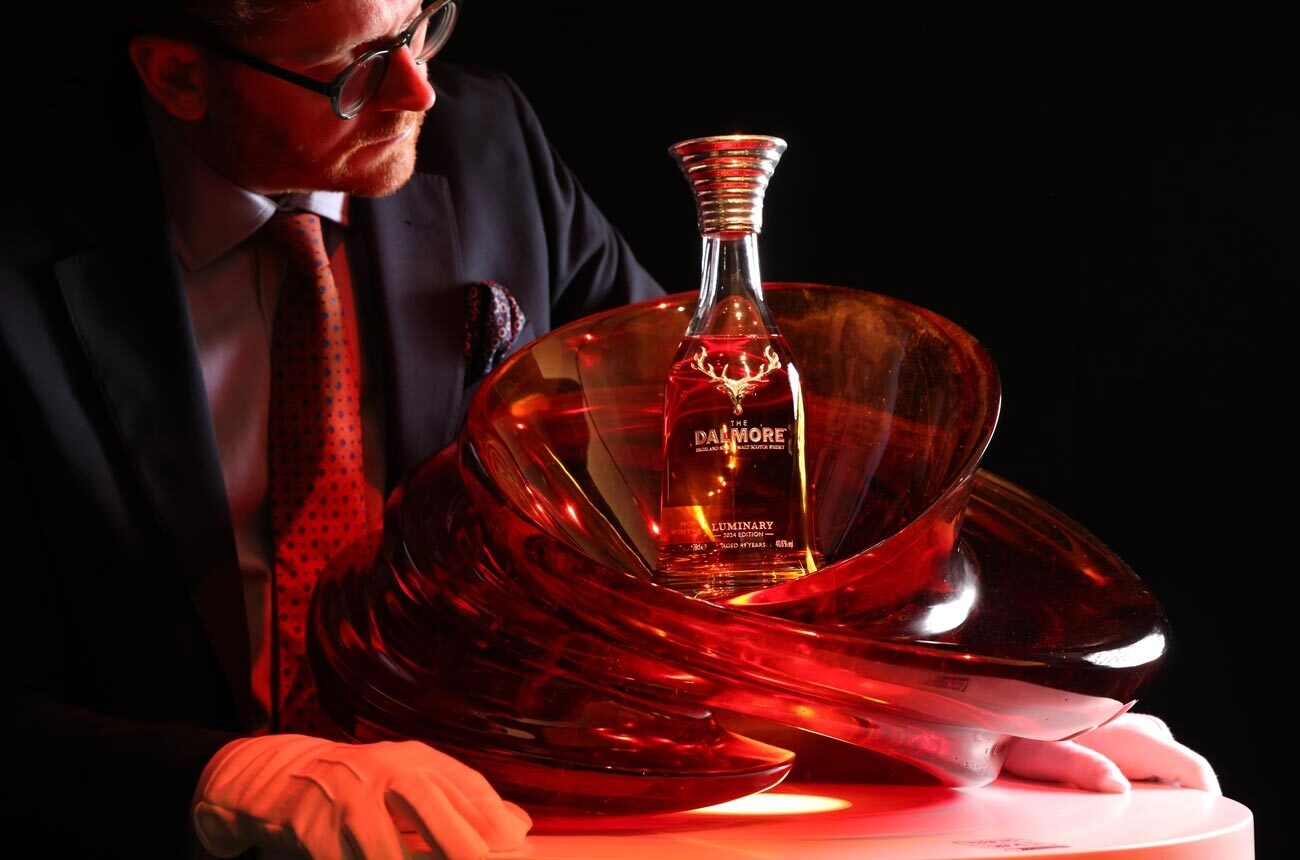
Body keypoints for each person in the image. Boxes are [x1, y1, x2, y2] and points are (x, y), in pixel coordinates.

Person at [0, 1, 1219, 857]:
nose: (419, 88)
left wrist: (918, 717)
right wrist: (217, 777)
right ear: (176, 74)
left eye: (424, 25)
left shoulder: (485, 140)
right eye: (356, 66)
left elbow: (687, 511)